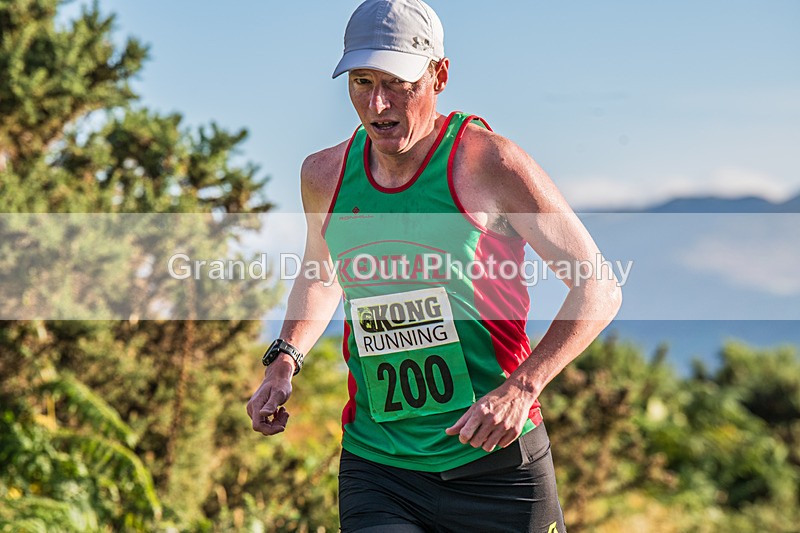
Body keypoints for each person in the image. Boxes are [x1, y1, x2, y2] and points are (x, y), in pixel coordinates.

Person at [246, 0, 622, 531]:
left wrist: (521, 388)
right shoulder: (324, 174)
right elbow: (322, 273)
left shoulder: (491, 164)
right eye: (360, 81)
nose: (377, 103)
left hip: (498, 466)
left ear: (439, 75)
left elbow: (599, 288)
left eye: (397, 82)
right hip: (379, 468)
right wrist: (284, 361)